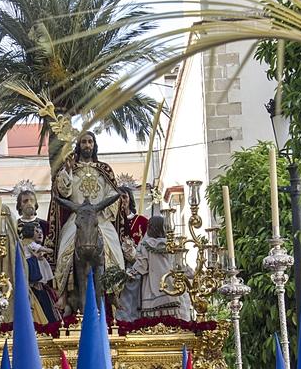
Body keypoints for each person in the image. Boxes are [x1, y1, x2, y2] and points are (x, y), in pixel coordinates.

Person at [48, 131, 125, 314]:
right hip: (77, 219)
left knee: (114, 251)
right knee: (65, 252)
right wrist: (66, 171)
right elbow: (63, 192)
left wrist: (102, 208)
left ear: (94, 145)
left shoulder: (103, 170)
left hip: (100, 219)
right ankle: (65, 294)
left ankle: (114, 292)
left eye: (90, 142)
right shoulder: (70, 169)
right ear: (79, 145)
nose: (87, 145)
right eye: (84, 142)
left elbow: (113, 194)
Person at [129, 216, 193, 320]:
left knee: (153, 324)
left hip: (151, 291)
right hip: (171, 290)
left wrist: (129, 273)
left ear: (151, 228)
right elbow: (179, 265)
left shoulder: (146, 245)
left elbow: (142, 266)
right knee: (172, 323)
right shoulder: (172, 245)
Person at [115, 185, 149, 322]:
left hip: (136, 265)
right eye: (118, 197)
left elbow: (147, 243)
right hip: (117, 263)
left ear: (130, 199)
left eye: (124, 197)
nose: (122, 200)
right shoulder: (111, 223)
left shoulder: (141, 221)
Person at [20, 221, 59, 323]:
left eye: (40, 231)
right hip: (33, 275)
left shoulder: (24, 243)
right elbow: (41, 249)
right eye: (36, 231)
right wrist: (50, 250)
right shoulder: (30, 243)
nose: (39, 233)